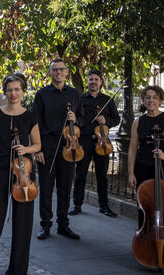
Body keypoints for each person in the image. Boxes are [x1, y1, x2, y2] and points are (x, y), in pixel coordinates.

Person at [0, 73, 41, 275]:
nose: (13, 93)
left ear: (23, 91)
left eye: (17, 89)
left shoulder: (30, 116)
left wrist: (26, 150)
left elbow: (38, 145)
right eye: (9, 89)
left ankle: (17, 270)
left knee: (23, 223)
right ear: (4, 92)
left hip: (23, 174)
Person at [32, 58, 83, 240]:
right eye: (55, 70)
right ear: (50, 73)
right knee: (46, 187)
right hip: (48, 145)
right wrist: (38, 149)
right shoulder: (42, 94)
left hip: (69, 146)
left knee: (65, 186)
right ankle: (46, 225)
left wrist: (75, 119)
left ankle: (63, 224)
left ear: (66, 72)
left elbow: (83, 119)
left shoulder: (74, 94)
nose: (58, 72)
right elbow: (35, 123)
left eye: (61, 69)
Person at [128, 85, 164, 227]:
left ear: (160, 101)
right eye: (147, 97)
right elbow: (133, 150)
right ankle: (144, 240)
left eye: (154, 97)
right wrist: (130, 173)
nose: (151, 100)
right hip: (144, 169)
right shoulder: (138, 122)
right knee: (144, 207)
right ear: (143, 100)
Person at [69, 70, 121, 218]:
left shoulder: (107, 100)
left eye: (96, 79)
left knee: (102, 176)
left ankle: (104, 206)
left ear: (101, 82)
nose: (93, 82)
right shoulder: (80, 99)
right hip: (84, 140)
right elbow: (76, 119)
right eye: (91, 79)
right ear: (87, 82)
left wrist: (107, 122)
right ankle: (77, 205)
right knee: (80, 174)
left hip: (102, 141)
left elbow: (116, 119)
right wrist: (80, 123)